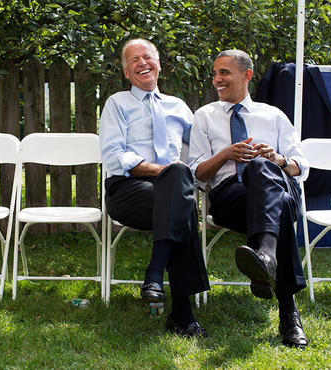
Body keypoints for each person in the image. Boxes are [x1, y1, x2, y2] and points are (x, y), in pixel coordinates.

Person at [188, 49, 309, 348]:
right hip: (232, 197)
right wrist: (226, 154)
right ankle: (288, 311)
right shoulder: (204, 116)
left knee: (262, 168)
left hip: (279, 184)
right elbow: (197, 173)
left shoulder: (274, 115)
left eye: (224, 72)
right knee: (276, 204)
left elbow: (300, 166)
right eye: (215, 73)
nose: (217, 79)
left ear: (247, 75)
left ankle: (266, 258)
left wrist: (276, 159)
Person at [99, 38, 210, 338]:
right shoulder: (117, 104)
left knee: (178, 196)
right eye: (133, 60)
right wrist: (165, 171)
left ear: (159, 64)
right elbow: (113, 156)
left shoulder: (179, 107)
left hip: (171, 192)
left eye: (147, 57)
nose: (142, 63)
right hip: (129, 190)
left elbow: (200, 150)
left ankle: (155, 276)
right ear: (125, 72)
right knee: (180, 199)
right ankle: (182, 313)